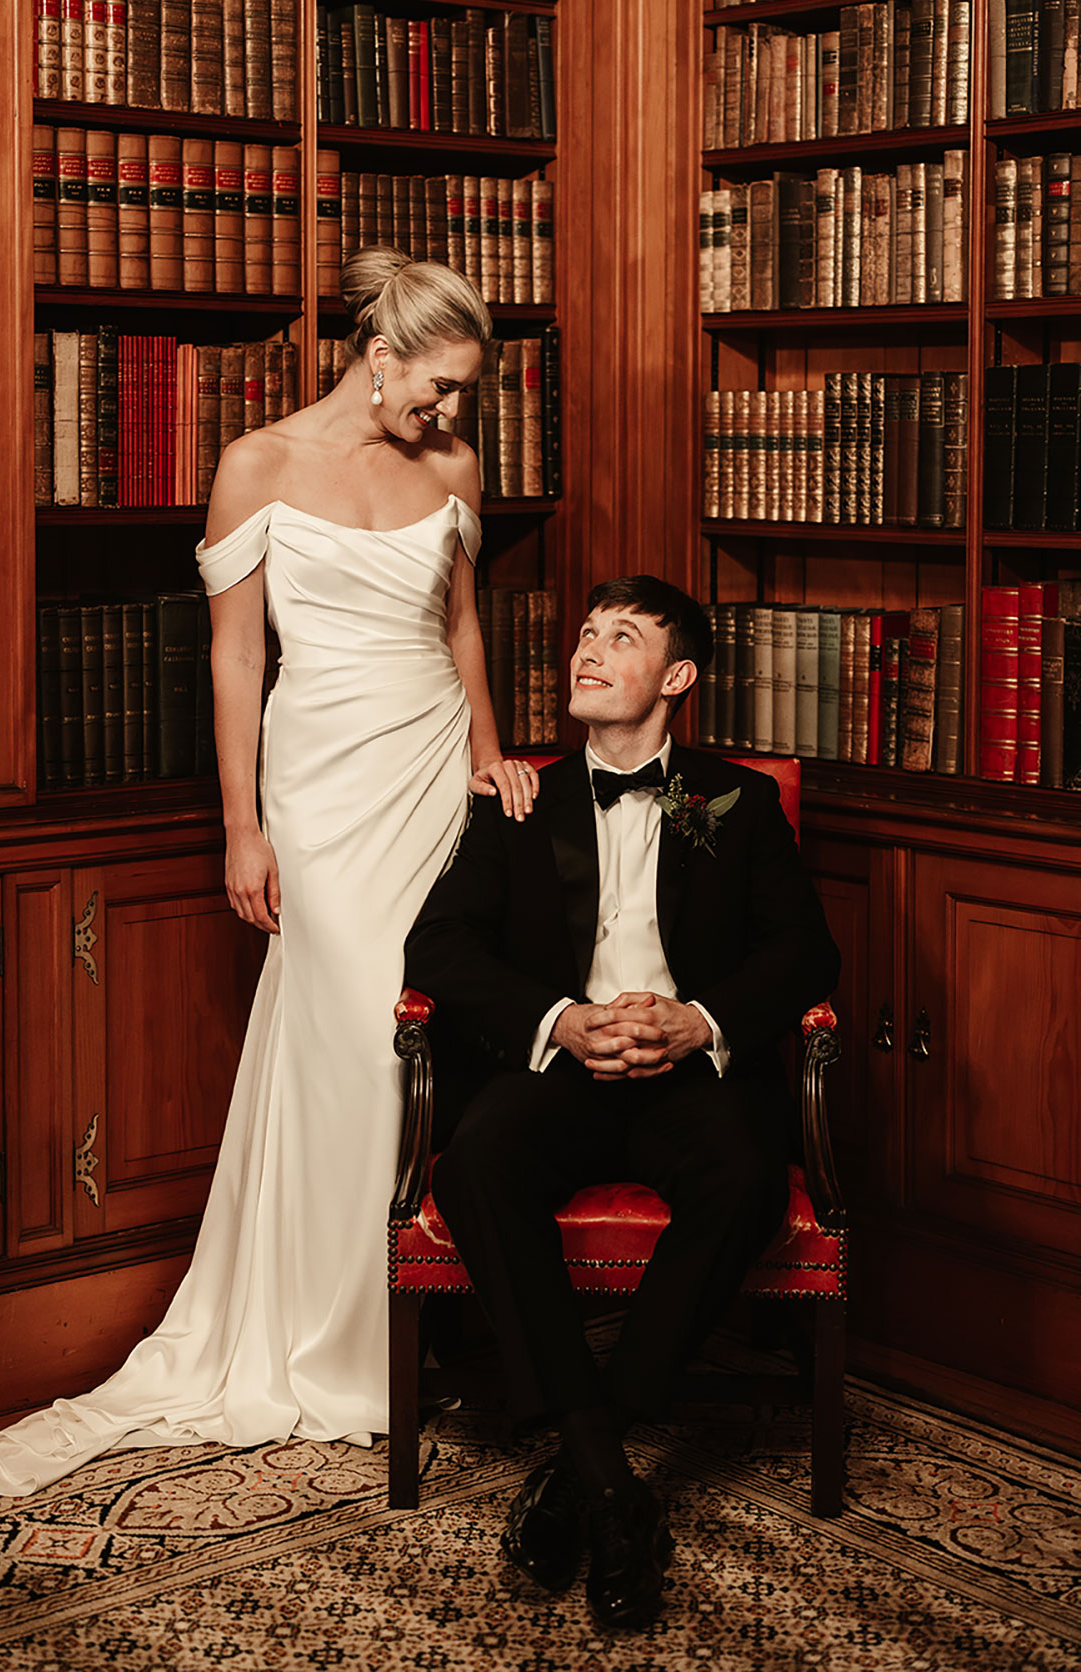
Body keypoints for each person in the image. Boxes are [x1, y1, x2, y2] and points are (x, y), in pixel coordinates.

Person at [0, 248, 539, 1497]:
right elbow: (234, 663)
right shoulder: (256, 466)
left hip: (432, 767)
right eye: (437, 387)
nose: (451, 414)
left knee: (439, 1030)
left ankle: (416, 1330)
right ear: (378, 356)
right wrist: (244, 826)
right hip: (318, 789)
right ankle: (336, 1340)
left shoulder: (456, 470)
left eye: (464, 395)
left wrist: (490, 753)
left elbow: (462, 624)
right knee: (357, 1038)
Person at [404, 574, 840, 1630]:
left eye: (623, 639)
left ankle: (578, 1459)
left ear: (677, 677)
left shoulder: (736, 801)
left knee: (742, 1172)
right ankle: (612, 1482)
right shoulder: (518, 796)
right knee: (476, 1161)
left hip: (690, 1080)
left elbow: (807, 953)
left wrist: (701, 1022)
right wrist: (558, 1019)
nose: (586, 654)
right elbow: (437, 947)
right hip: (557, 1076)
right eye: (584, 634)